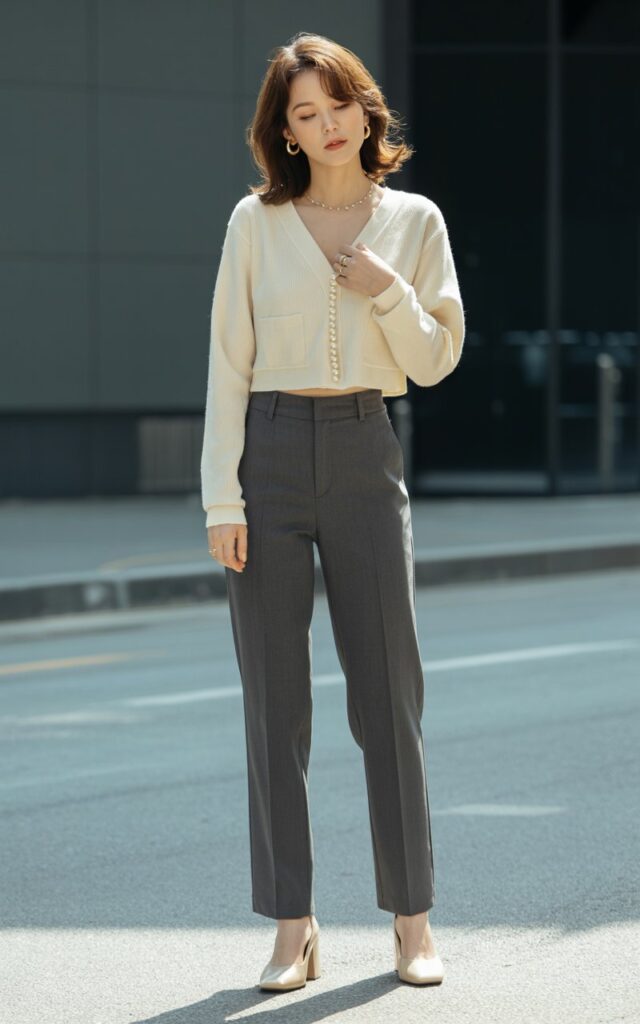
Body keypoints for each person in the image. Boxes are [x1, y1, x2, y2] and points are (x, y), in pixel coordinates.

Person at [200, 32, 465, 992]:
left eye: (339, 104)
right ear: (286, 133)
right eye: (305, 115)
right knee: (274, 706)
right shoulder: (254, 222)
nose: (328, 126)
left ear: (365, 107)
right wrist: (220, 496)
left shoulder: (415, 221)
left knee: (389, 694)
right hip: (267, 454)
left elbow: (436, 359)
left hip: (363, 446)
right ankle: (292, 926)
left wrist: (386, 290)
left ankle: (412, 921)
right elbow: (228, 362)